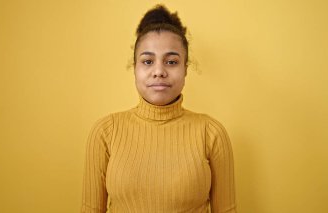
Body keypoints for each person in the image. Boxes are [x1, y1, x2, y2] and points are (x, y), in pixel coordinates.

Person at [81, 4, 236, 213]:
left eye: (171, 62)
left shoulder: (211, 133)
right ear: (134, 67)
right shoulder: (105, 133)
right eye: (147, 61)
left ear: (185, 69)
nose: (159, 71)